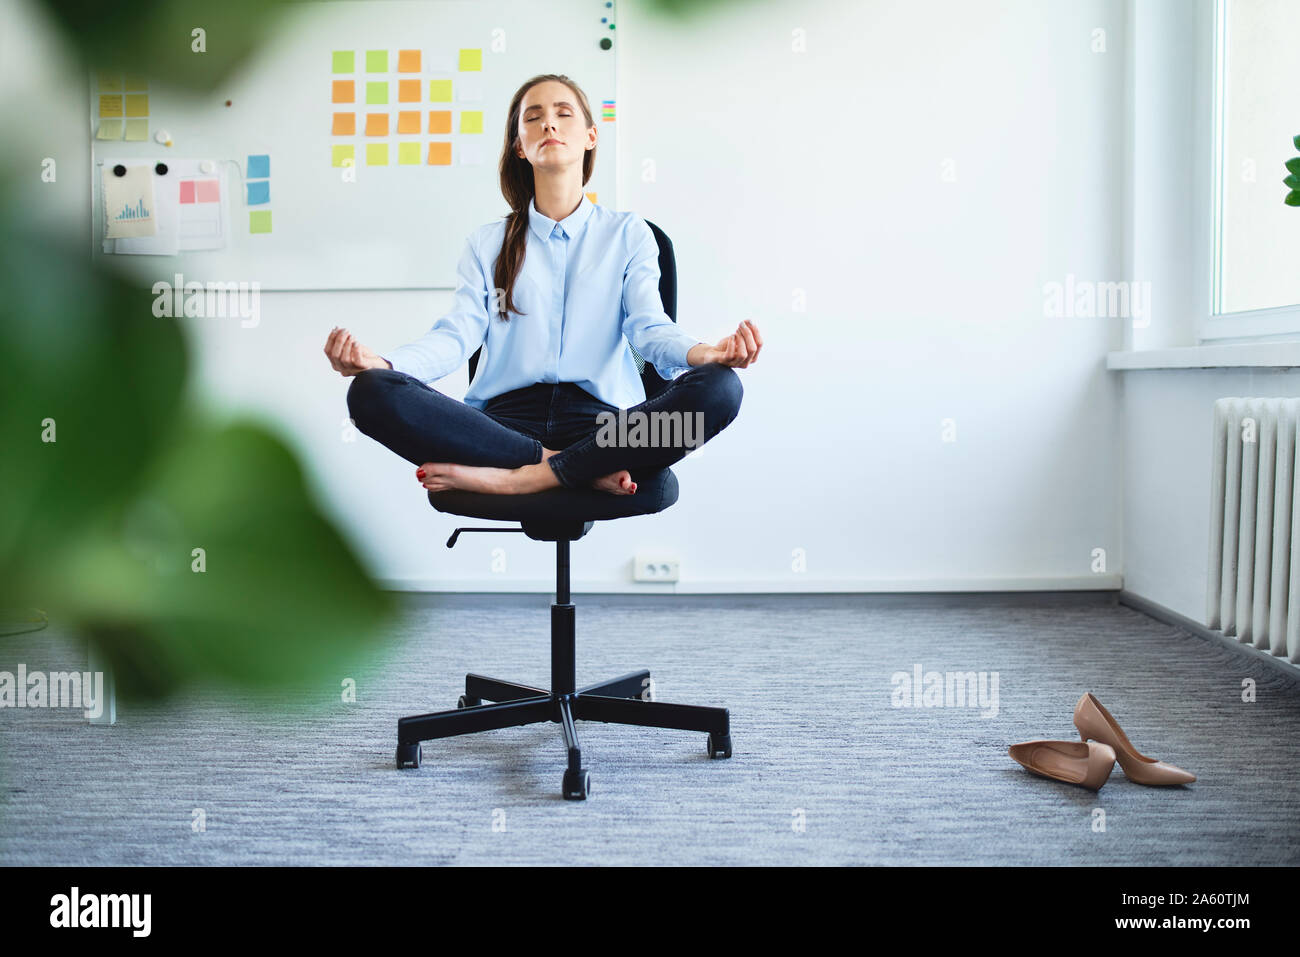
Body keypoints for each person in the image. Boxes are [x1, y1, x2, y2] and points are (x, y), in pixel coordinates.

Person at [325, 72, 762, 497]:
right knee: (371, 393)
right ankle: (571, 468)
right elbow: (456, 337)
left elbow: (649, 328)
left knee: (720, 388)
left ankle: (521, 478)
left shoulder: (628, 234)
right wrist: (382, 363)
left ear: (591, 136)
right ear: (519, 146)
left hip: (608, 430)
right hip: (498, 429)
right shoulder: (487, 243)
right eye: (532, 117)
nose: (548, 123)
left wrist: (707, 353)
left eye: (563, 113)